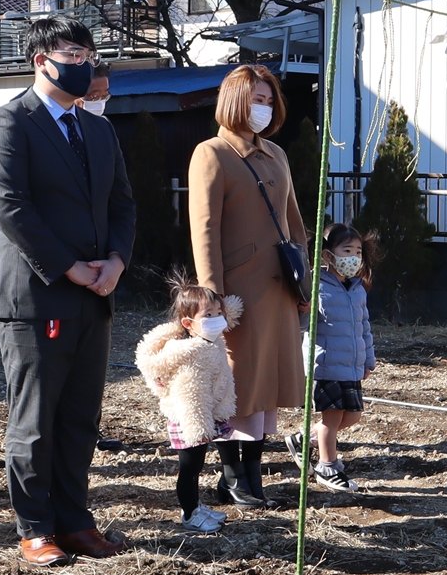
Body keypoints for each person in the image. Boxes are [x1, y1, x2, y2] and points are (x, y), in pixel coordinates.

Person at [0, 17, 138, 566]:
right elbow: (10, 207)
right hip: (36, 294)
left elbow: (122, 204)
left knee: (79, 417)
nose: (84, 62)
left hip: (96, 292)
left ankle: (75, 520)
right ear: (41, 59)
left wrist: (116, 261)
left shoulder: (97, 129)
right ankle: (36, 526)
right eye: (72, 51)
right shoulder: (7, 124)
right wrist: (69, 267)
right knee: (36, 417)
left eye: (89, 52)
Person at [186, 65, 306, 509]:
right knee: (237, 382)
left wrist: (304, 280)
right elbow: (205, 228)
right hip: (238, 291)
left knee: (268, 382)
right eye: (257, 98)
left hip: (277, 289)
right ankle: (233, 474)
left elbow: (294, 222)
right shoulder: (212, 152)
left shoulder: (276, 153)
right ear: (235, 99)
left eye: (269, 99)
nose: (264, 107)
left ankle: (252, 474)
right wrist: (212, 295)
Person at [134, 279, 239, 533]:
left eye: (218, 313)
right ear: (188, 324)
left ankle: (197, 506)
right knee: (190, 469)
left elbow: (231, 312)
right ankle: (190, 513)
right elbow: (190, 395)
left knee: (197, 466)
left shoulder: (209, 342)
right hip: (191, 420)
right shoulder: (189, 353)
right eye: (208, 315)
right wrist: (199, 426)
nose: (217, 319)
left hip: (205, 416)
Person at [292, 222, 373, 492]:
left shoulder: (357, 289)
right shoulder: (316, 285)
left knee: (352, 417)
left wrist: (367, 359)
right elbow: (303, 322)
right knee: (331, 419)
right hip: (325, 366)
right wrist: (305, 309)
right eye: (347, 250)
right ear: (328, 256)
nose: (354, 258)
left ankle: (304, 439)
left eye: (358, 252)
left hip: (349, 366)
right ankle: (328, 466)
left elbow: (364, 327)